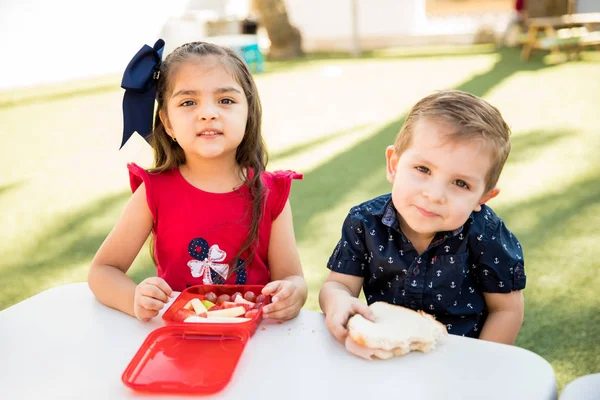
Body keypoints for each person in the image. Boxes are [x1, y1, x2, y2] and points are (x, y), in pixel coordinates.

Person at [88, 40, 307, 322]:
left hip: (256, 343)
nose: (208, 113)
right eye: (188, 102)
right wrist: (134, 299)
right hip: (179, 343)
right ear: (167, 122)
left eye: (226, 100)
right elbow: (103, 270)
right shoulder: (153, 192)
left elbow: (293, 278)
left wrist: (293, 294)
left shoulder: (271, 193)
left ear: (248, 111)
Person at [319, 90, 525, 346]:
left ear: (482, 198)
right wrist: (339, 299)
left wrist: (480, 364)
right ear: (394, 165)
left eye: (460, 183)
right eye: (423, 169)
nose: (434, 194)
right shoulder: (364, 222)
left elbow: (506, 310)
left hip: (458, 356)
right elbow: (338, 285)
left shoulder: (487, 235)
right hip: (389, 349)